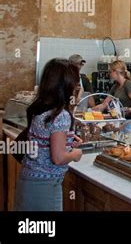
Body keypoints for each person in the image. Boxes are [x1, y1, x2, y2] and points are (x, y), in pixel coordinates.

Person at [14, 58, 83, 211]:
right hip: (45, 187)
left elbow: (44, 142)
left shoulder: (40, 108)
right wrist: (76, 154)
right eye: (75, 83)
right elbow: (58, 158)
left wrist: (67, 142)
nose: (76, 87)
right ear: (65, 85)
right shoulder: (61, 115)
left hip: (28, 182)